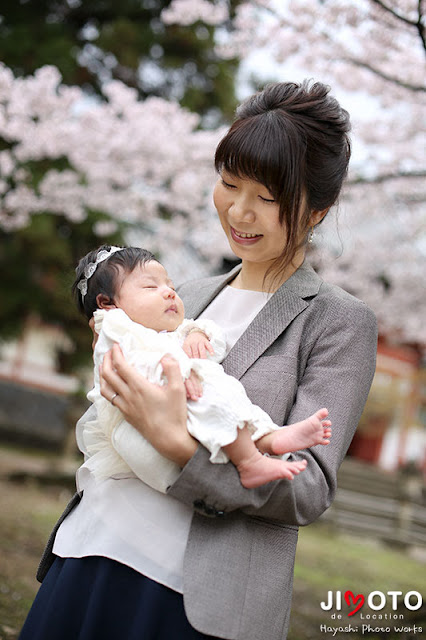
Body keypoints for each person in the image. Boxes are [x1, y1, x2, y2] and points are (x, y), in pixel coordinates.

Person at [21, 80, 378, 640]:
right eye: (229, 183)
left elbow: (307, 490)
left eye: (267, 198)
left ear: (316, 212)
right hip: (89, 548)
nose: (239, 211)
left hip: (189, 594)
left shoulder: (336, 321)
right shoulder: (180, 291)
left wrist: (177, 446)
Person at [72, 244, 331, 491]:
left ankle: (269, 439)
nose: (170, 292)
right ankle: (252, 458)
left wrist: (197, 333)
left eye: (170, 285)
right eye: (151, 286)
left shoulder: (168, 331)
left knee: (229, 396)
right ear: (107, 303)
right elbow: (130, 364)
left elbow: (215, 346)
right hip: (149, 415)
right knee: (211, 401)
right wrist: (178, 373)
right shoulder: (114, 327)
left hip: (183, 397)